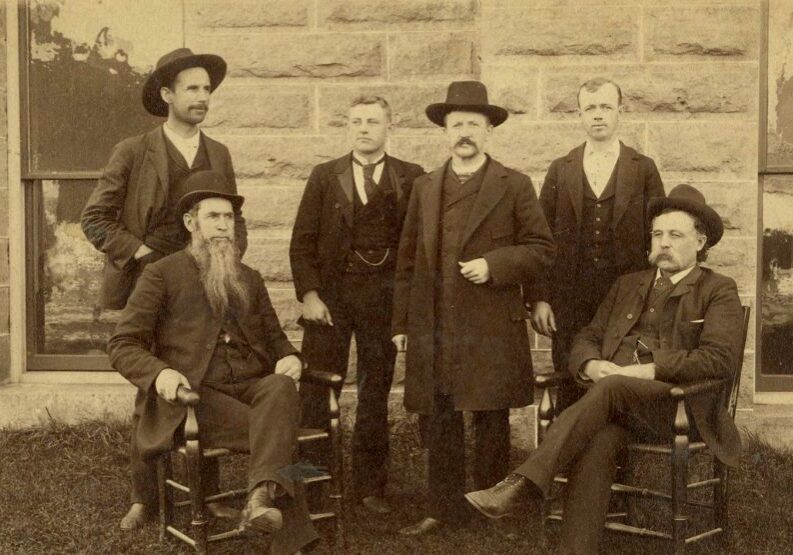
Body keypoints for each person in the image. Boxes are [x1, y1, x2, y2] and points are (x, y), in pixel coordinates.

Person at [466, 185, 743, 555]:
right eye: (657, 234)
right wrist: (591, 364)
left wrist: (647, 371)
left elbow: (719, 358)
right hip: (617, 405)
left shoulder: (717, 289)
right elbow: (588, 335)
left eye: (675, 235)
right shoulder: (629, 284)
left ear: (700, 241)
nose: (663, 243)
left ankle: (524, 485)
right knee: (600, 438)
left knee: (612, 388)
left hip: (678, 406)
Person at [107, 170, 317, 555]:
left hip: (249, 388)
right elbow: (122, 344)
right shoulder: (161, 274)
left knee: (281, 386)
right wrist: (160, 373)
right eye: (213, 217)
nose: (223, 226)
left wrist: (290, 356)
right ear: (191, 223)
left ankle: (259, 499)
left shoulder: (249, 278)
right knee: (279, 432)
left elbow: (275, 337)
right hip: (196, 397)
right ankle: (286, 536)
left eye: (228, 218)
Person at [81, 47, 247, 529]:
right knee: (151, 384)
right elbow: (95, 218)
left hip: (206, 283)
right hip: (150, 280)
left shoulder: (219, 153)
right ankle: (145, 496)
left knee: (205, 375)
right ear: (167, 94)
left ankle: (205, 494)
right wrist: (141, 255)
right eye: (192, 88)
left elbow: (234, 220)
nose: (202, 97)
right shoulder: (134, 150)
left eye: (207, 89)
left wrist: (229, 262)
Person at [392, 81, 555, 535]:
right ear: (445, 131)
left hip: (489, 323)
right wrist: (401, 323)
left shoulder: (514, 184)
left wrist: (495, 265)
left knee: (490, 418)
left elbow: (542, 248)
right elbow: (407, 260)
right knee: (440, 415)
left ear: (488, 131)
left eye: (473, 124)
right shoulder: (425, 186)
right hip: (436, 323)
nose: (464, 132)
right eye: (457, 124)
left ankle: (490, 509)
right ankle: (441, 509)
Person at [289, 96, 424, 513]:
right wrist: (310, 295)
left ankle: (370, 487)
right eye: (356, 121)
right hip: (330, 300)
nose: (363, 128)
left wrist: (405, 310)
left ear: (389, 127)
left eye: (372, 121)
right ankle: (311, 483)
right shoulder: (324, 175)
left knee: (374, 391)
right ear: (348, 127)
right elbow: (302, 242)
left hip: (383, 301)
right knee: (316, 388)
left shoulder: (411, 176)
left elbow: (418, 246)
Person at [528, 77, 665, 410]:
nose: (598, 114)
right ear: (579, 114)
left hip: (627, 298)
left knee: (621, 379)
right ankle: (568, 443)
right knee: (571, 377)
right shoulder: (561, 169)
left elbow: (660, 233)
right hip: (569, 299)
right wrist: (540, 298)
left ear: (620, 111)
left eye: (606, 106)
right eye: (590, 108)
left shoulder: (643, 169)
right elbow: (540, 239)